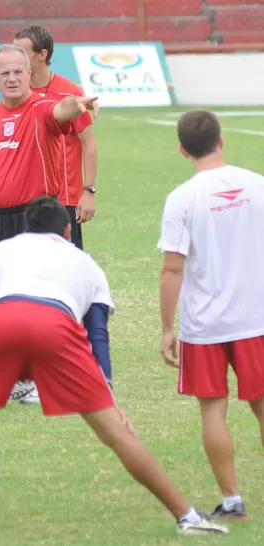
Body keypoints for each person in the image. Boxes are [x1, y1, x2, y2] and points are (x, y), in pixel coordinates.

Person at [0, 197, 230, 541]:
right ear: (66, 230)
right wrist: (109, 396)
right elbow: (97, 333)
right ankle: (187, 515)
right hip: (56, 324)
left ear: (26, 226)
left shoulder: (3, 250)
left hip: (0, 321)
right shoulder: (86, 263)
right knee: (116, 432)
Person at [0, 44, 98, 405]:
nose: (11, 78)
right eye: (4, 73)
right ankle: (19, 376)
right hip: (1, 219)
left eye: (18, 72)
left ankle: (49, 375)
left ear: (28, 73)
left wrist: (77, 104)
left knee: (45, 297)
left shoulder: (41, 109)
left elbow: (62, 110)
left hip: (39, 216)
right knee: (7, 299)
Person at [158, 109, 264, 520]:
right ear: (221, 140)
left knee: (213, 410)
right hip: (257, 317)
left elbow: (172, 269)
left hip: (206, 325)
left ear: (182, 150)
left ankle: (233, 501)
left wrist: (168, 328)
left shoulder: (183, 198)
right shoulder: (257, 185)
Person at [14, 25, 99, 250]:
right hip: (25, 198)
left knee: (65, 266)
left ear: (42, 54)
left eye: (22, 53)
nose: (16, 59)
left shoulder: (68, 92)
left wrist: (89, 191)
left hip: (64, 199)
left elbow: (89, 144)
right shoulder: (16, 92)